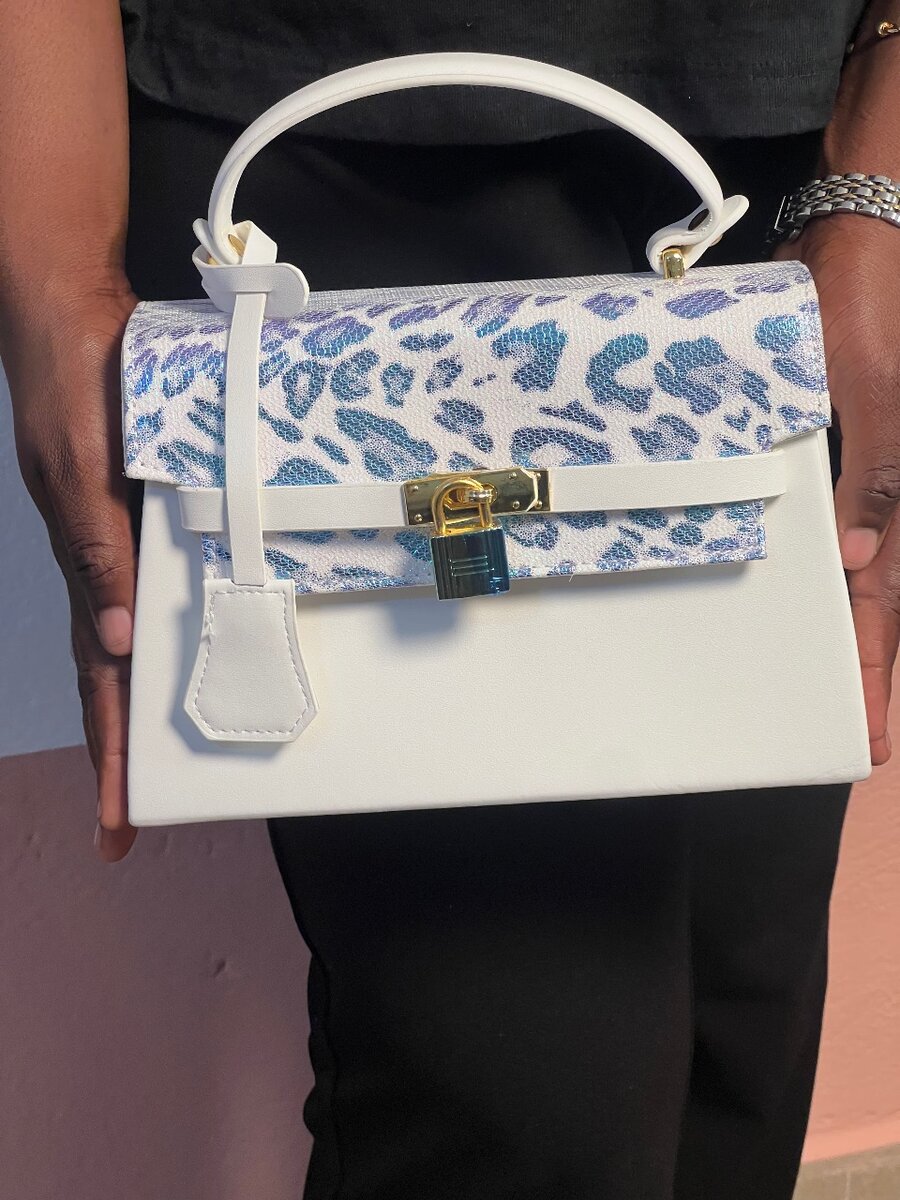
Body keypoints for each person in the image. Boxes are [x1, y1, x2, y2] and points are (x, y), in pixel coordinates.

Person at [1, 2, 898, 1197]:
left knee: (736, 1036)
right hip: (314, 181)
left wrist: (881, 173)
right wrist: (56, 267)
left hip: (780, 168)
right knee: (521, 1112)